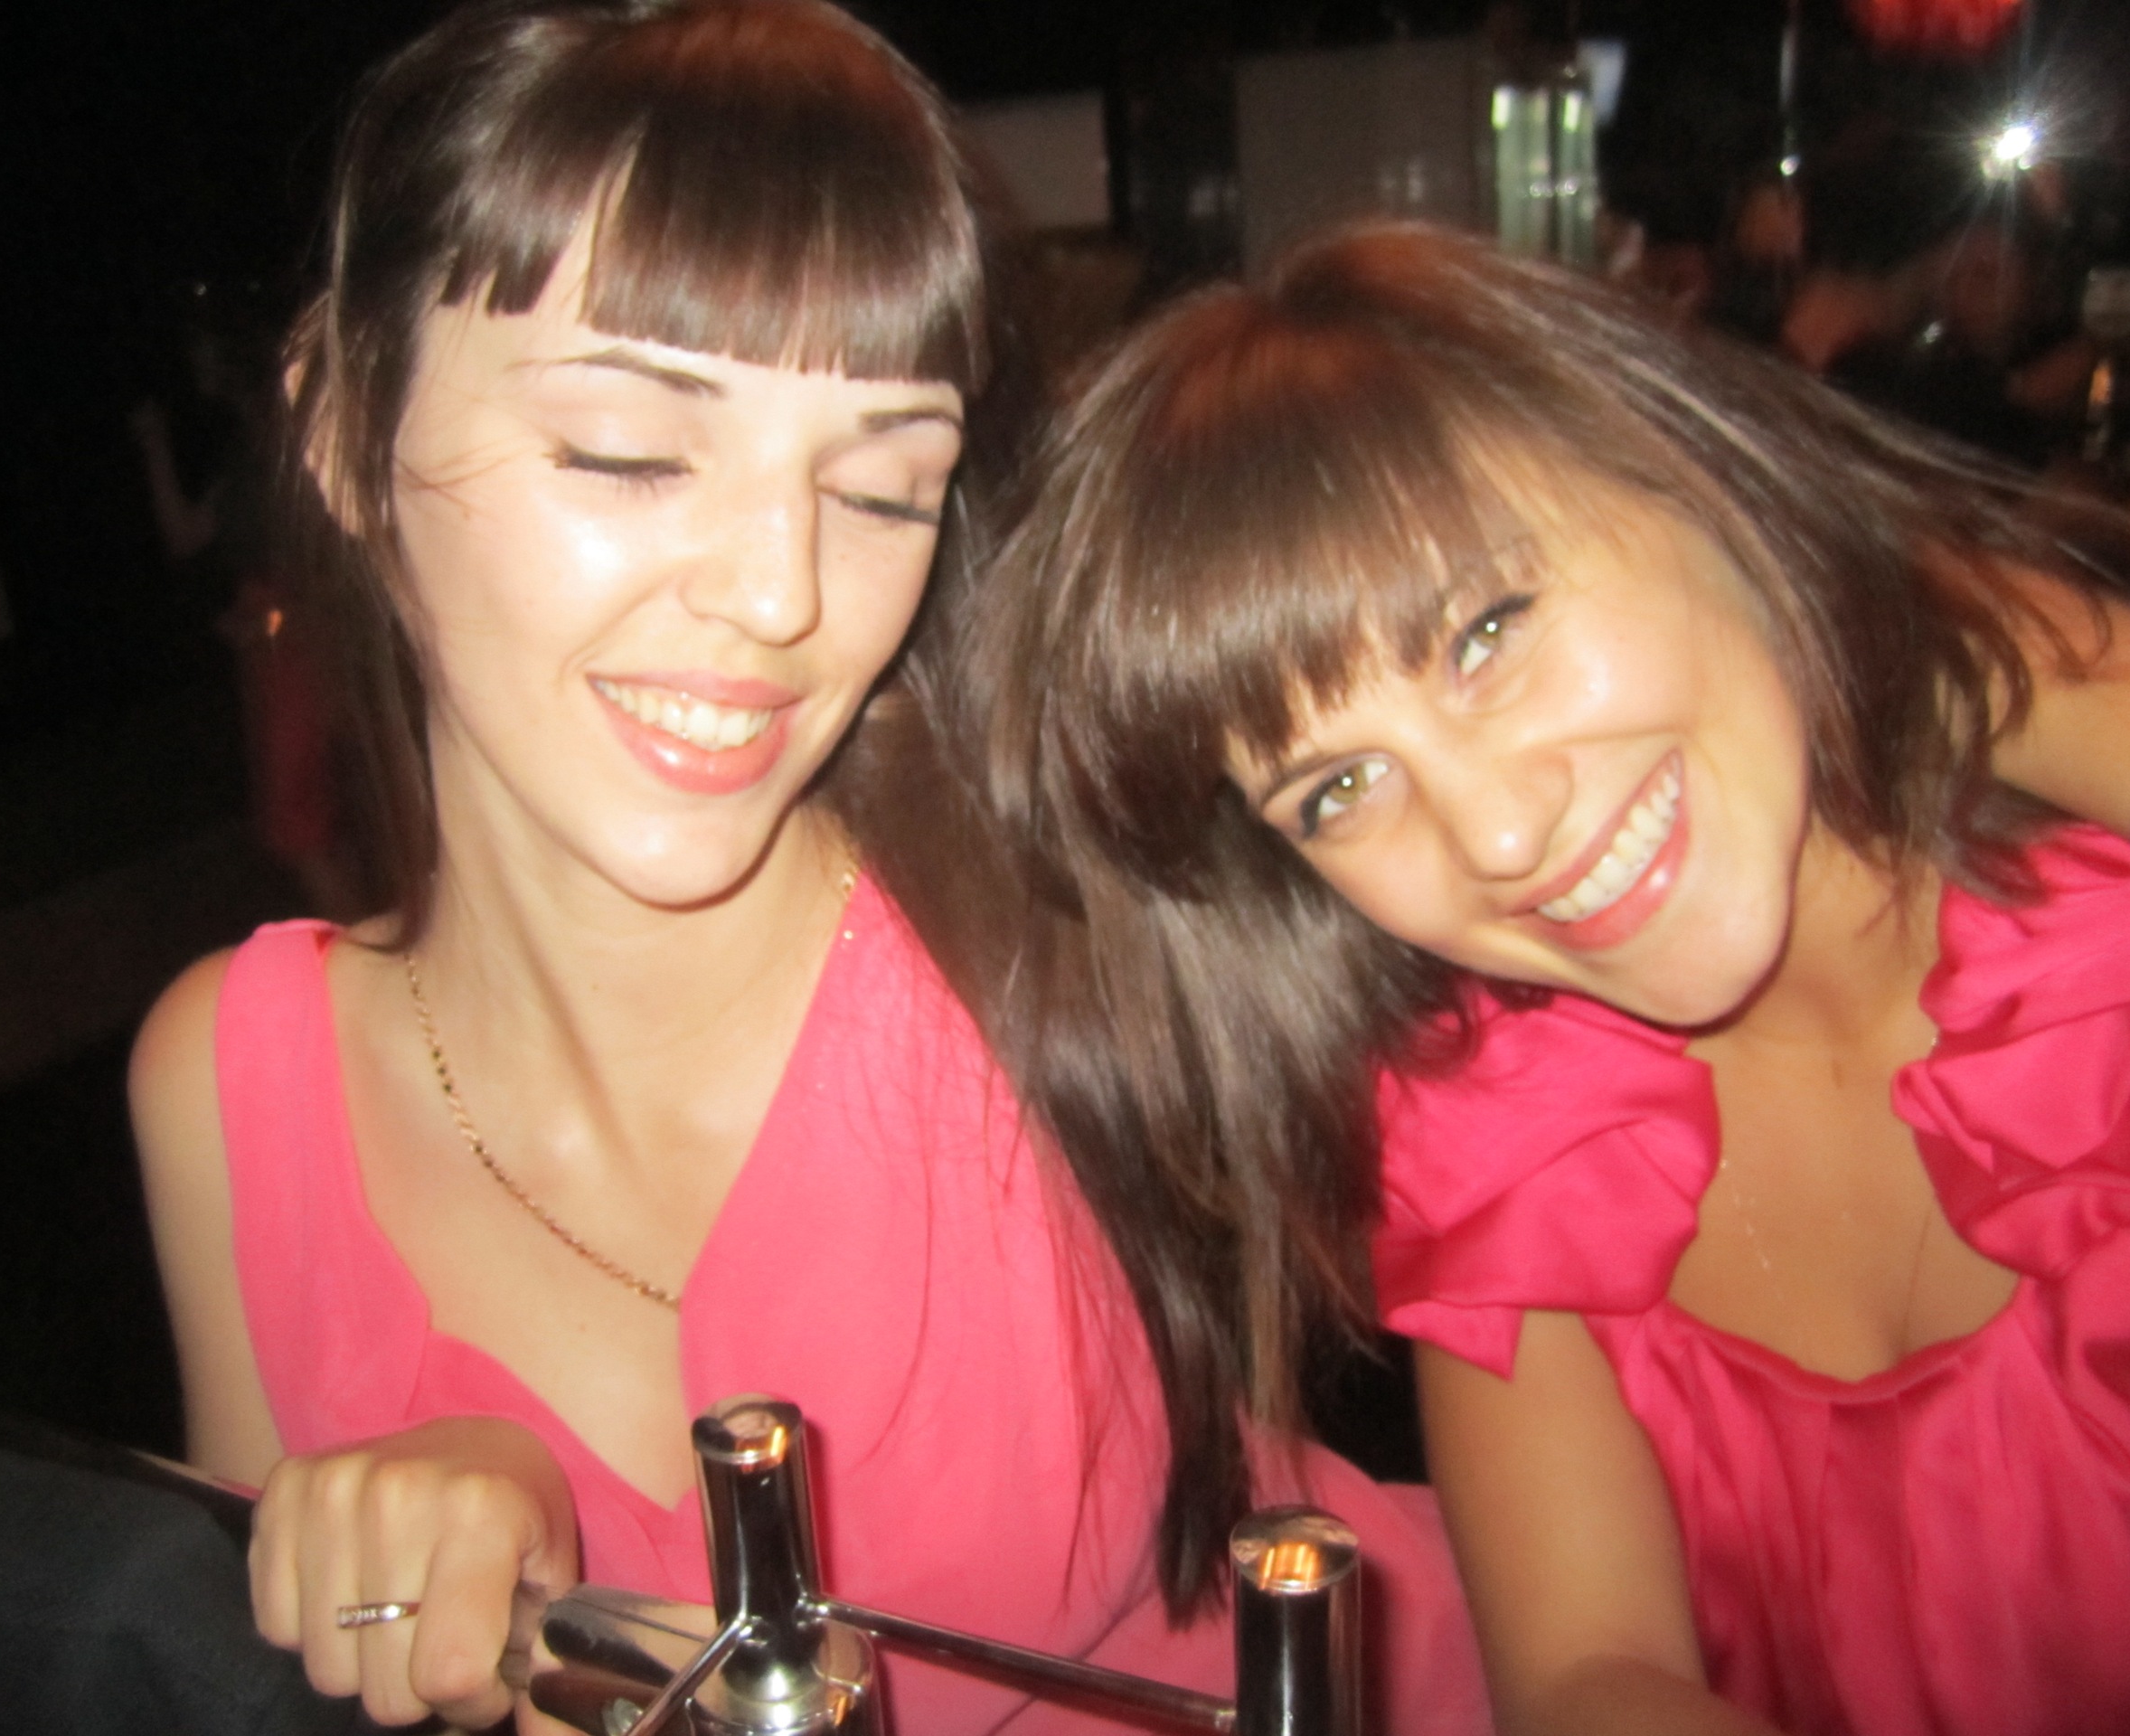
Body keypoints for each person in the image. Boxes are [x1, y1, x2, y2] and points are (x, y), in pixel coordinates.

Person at [129, 11, 1488, 1735]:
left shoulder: (1053, 901)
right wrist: (431, 1583)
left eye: (885, 489)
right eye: (627, 451)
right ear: (342, 431)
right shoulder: (230, 1081)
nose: (783, 596)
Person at [964, 221, 2130, 1736]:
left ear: (1683, 473)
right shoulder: (1514, 1139)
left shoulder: (2124, 968)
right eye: (1338, 790)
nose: (1501, 834)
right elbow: (1590, 1676)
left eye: (1487, 631)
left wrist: (1947, 620)